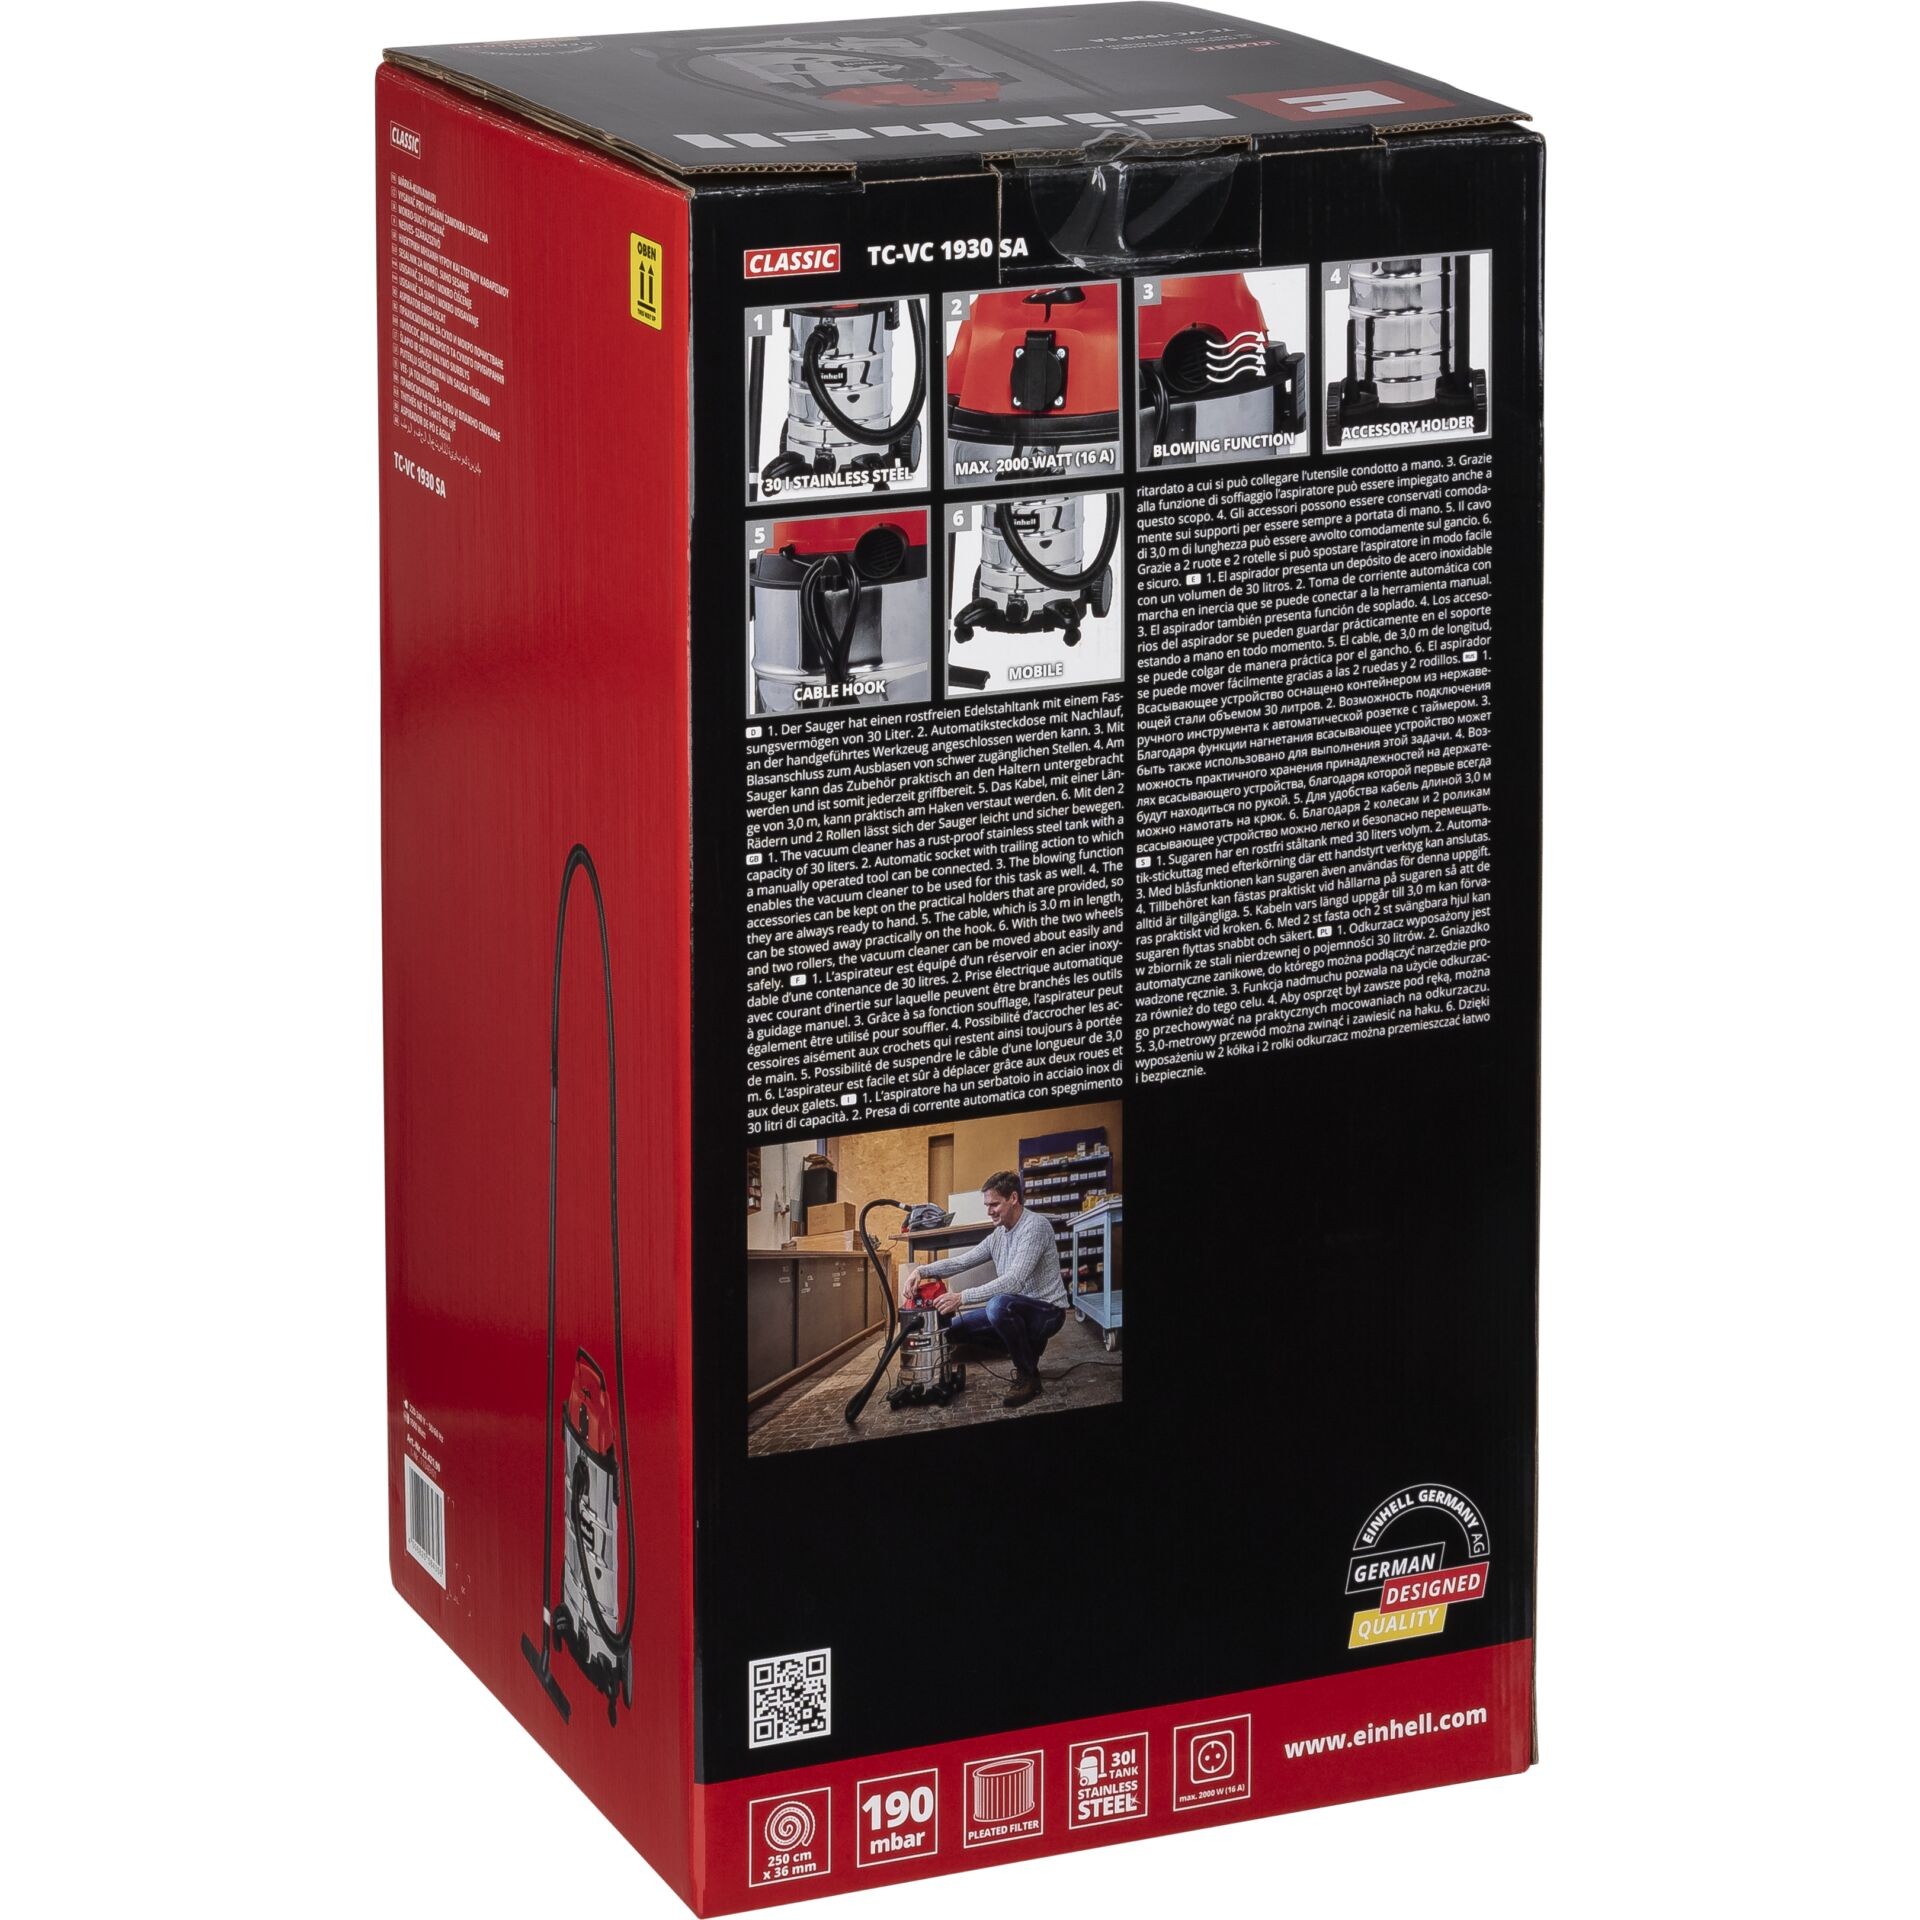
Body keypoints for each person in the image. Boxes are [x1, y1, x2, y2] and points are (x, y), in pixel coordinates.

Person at [900, 1171, 1066, 1407]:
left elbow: (1014, 1281)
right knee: (952, 1330)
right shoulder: (999, 1235)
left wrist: (962, 1297)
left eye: (994, 1204)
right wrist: (921, 1271)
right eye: (987, 1205)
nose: (989, 1211)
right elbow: (961, 1262)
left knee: (997, 1305)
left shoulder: (1035, 1227)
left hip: (1047, 1312)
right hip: (1017, 1308)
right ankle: (1025, 1349)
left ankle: (1028, 1376)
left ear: (1013, 1198)